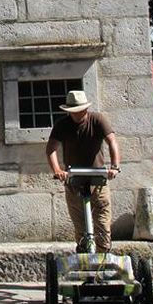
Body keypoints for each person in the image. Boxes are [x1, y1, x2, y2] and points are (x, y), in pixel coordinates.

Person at [45, 90, 120, 252]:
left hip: (98, 179)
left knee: (102, 223)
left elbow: (112, 141)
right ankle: (84, 255)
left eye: (80, 111)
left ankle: (103, 258)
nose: (77, 114)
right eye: (73, 112)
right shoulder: (62, 125)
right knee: (80, 226)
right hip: (74, 180)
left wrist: (114, 166)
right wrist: (58, 170)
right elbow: (51, 148)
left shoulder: (98, 120)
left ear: (86, 109)